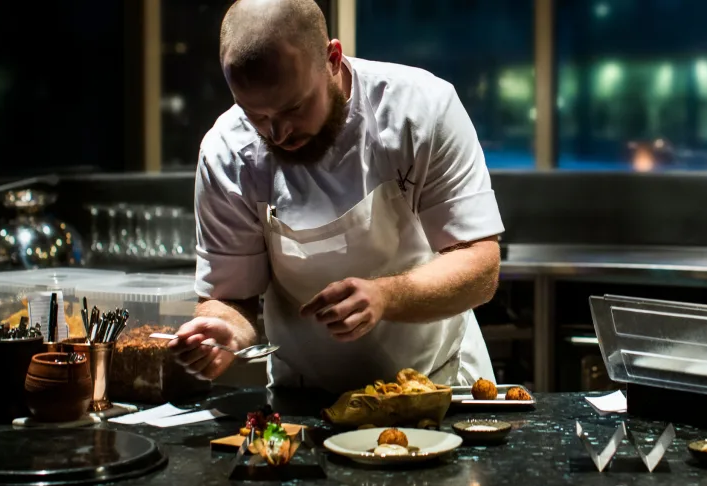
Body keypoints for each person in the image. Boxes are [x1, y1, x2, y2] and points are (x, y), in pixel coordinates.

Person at [167, 0, 504, 394]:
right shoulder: (227, 153)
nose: (278, 134)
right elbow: (231, 298)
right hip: (305, 401)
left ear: (332, 58)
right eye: (256, 116)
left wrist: (385, 296)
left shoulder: (420, 110)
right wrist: (223, 331)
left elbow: (481, 268)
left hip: (434, 385)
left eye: (294, 107)